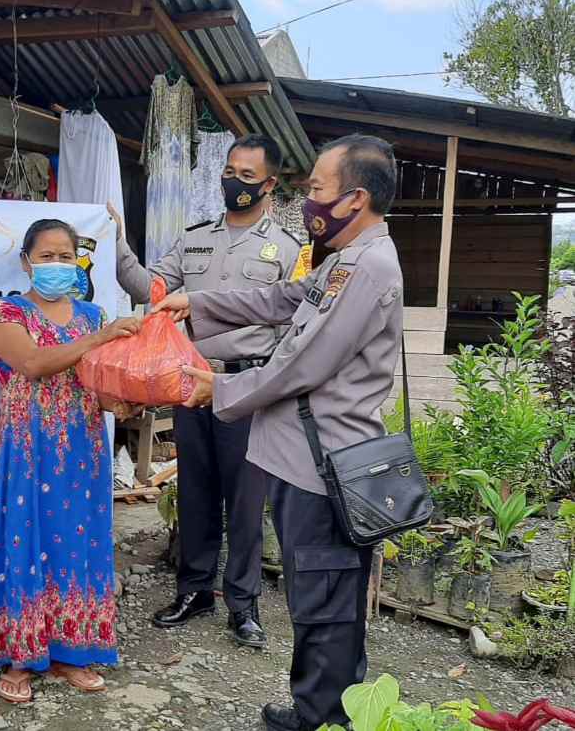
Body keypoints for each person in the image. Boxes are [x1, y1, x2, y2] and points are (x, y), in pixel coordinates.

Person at [154, 134, 404, 731]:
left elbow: (302, 364)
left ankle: (323, 719)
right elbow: (283, 297)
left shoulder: (367, 267)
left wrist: (221, 390)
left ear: (355, 198)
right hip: (306, 458)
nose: (308, 199)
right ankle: (319, 708)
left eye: (317, 188)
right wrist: (198, 303)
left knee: (325, 599)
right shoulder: (344, 258)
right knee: (316, 596)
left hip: (326, 466)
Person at [114, 133, 301, 648]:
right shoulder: (194, 239)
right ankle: (194, 590)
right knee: (195, 492)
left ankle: (243, 605)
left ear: (269, 184)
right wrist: (117, 244)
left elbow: (296, 324)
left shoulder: (289, 249)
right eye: (229, 172)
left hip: (247, 385)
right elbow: (152, 290)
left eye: (247, 176)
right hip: (191, 382)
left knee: (245, 501)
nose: (234, 182)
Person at [0, 218, 142, 704]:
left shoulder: (91, 315)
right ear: (26, 262)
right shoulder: (5, 312)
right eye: (46, 256)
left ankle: (72, 649)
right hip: (30, 445)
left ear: (77, 262)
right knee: (26, 536)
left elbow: (96, 383)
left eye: (65, 256)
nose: (56, 264)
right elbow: (32, 364)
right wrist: (102, 337)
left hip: (82, 443)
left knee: (78, 539)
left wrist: (125, 401)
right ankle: (20, 656)